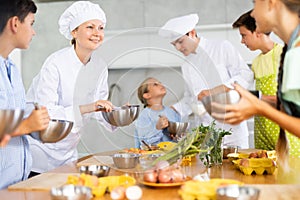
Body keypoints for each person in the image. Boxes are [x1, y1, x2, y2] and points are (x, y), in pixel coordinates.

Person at [25, 1, 115, 177]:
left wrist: (116, 115)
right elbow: (46, 113)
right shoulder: (55, 63)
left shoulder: (100, 66)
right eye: (90, 27)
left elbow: (99, 108)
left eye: (101, 28)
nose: (97, 33)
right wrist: (90, 107)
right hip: (40, 152)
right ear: (74, 31)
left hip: (68, 152)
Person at [211, 0, 300, 169]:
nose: (252, 13)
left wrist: (259, 107)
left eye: (255, 3)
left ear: (271, 3)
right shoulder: (289, 51)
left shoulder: (295, 53)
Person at [158, 14, 254, 148]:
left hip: (233, 131)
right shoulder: (186, 65)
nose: (178, 48)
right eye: (174, 44)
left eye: (180, 42)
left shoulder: (221, 48)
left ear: (192, 33)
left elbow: (245, 75)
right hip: (207, 134)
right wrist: (169, 112)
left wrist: (213, 91)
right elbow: (190, 99)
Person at [0, 0, 50, 189]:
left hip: (15, 185)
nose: (33, 32)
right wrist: (26, 125)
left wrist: (38, 125)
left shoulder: (11, 69)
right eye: (31, 24)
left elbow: (13, 118)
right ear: (14, 24)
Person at [232, 10, 284, 150]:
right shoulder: (256, 62)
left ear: (258, 32)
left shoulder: (283, 55)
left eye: (244, 35)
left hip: (282, 130)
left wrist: (257, 97)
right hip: (261, 130)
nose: (242, 41)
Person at [134, 77, 181, 148]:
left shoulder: (172, 113)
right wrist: (158, 128)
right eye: (155, 84)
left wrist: (175, 134)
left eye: (160, 83)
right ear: (147, 95)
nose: (161, 85)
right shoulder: (143, 117)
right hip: (151, 158)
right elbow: (144, 143)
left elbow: (180, 140)